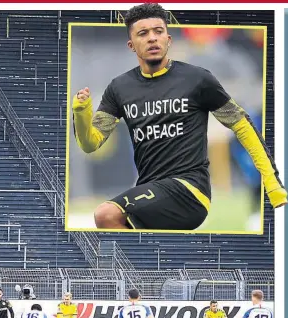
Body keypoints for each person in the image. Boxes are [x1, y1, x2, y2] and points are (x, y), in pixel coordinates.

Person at [72, 2, 286, 231]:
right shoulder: (119, 88)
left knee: (106, 214)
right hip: (152, 190)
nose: (152, 38)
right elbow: (90, 143)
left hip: (190, 191)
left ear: (168, 39)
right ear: (131, 44)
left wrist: (272, 185)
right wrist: (81, 112)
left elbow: (242, 126)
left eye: (159, 31)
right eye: (143, 33)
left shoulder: (197, 79)